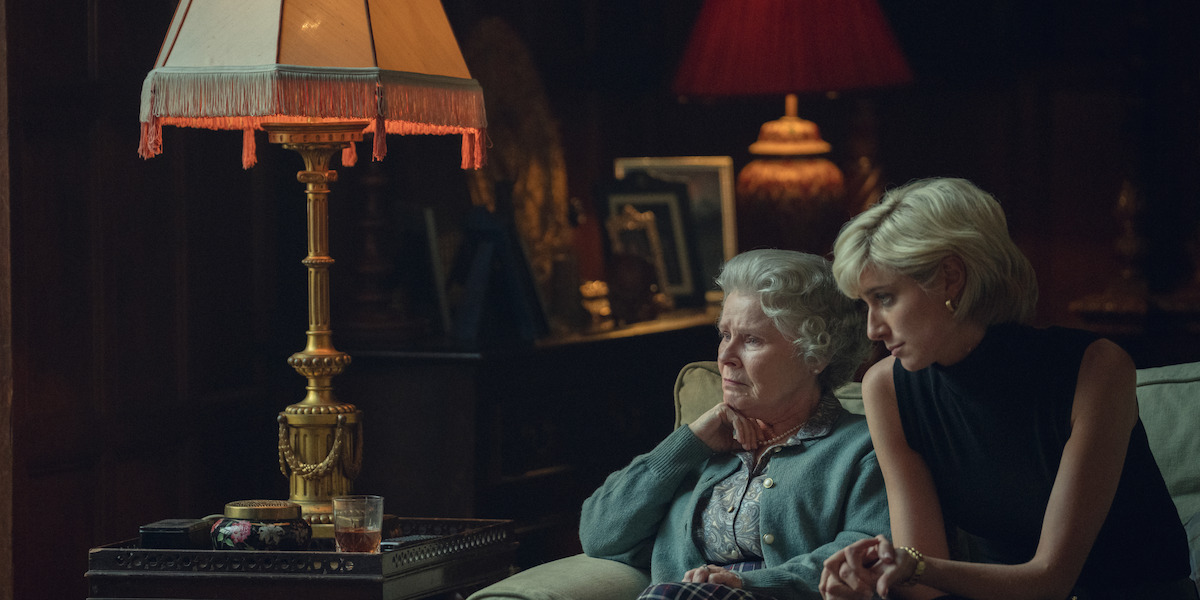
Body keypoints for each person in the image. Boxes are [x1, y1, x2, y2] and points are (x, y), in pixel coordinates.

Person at [819, 177, 1196, 600]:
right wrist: (875, 584)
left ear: (951, 278)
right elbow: (923, 583)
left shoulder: (1097, 368)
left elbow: (1050, 580)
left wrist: (914, 567)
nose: (873, 328)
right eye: (865, 304)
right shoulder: (886, 387)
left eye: (885, 298)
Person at [579, 249, 889, 600]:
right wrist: (689, 441)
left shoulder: (863, 447)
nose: (726, 356)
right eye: (725, 334)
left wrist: (749, 584)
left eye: (751, 340)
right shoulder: (701, 449)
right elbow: (599, 534)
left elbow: (867, 552)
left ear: (815, 354)